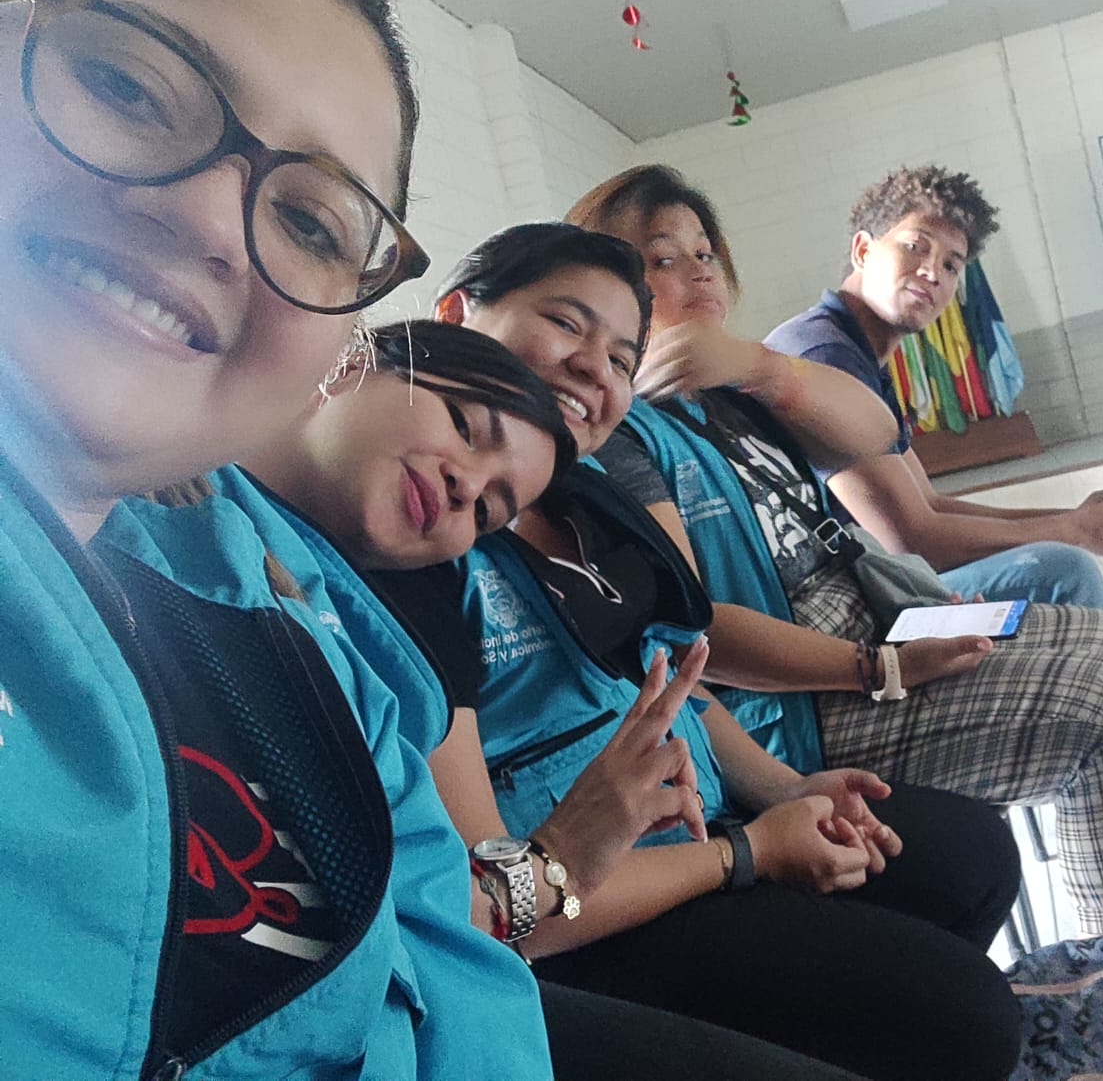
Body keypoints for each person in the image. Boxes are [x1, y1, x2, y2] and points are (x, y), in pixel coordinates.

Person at [0, 0, 556, 1078]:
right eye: (128, 86)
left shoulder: (311, 630)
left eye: (308, 221)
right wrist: (607, 859)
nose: (209, 215)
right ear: (374, 358)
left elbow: (452, 944)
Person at [398, 224, 1022, 1081]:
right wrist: (747, 853)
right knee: (964, 1017)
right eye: (566, 323)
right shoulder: (422, 527)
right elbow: (501, 906)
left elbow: (673, 676)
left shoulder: (587, 496)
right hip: (582, 907)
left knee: (971, 859)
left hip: (689, 830)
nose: (594, 370)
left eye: (622, 357)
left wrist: (788, 789)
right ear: (455, 315)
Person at [242, 317, 874, 1081]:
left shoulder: (388, 634)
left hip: (476, 1010)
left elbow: (471, 908)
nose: (464, 487)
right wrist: (722, 854)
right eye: (464, 424)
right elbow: (491, 914)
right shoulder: (202, 545)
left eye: (489, 510)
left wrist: (565, 857)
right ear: (354, 360)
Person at [560, 169, 1103, 939]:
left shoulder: (730, 390)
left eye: (705, 253)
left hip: (869, 621)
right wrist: (878, 665)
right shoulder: (619, 432)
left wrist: (755, 367)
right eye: (663, 259)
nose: (699, 272)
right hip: (799, 700)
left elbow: (873, 433)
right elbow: (693, 630)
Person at [763, 164, 1103, 610]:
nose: (932, 273)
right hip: (823, 604)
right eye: (916, 247)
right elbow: (910, 540)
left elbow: (931, 506)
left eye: (950, 264)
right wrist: (1077, 531)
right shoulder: (822, 354)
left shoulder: (854, 351)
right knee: (1060, 571)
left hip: (861, 579)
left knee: (1056, 559)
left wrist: (1077, 518)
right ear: (863, 250)